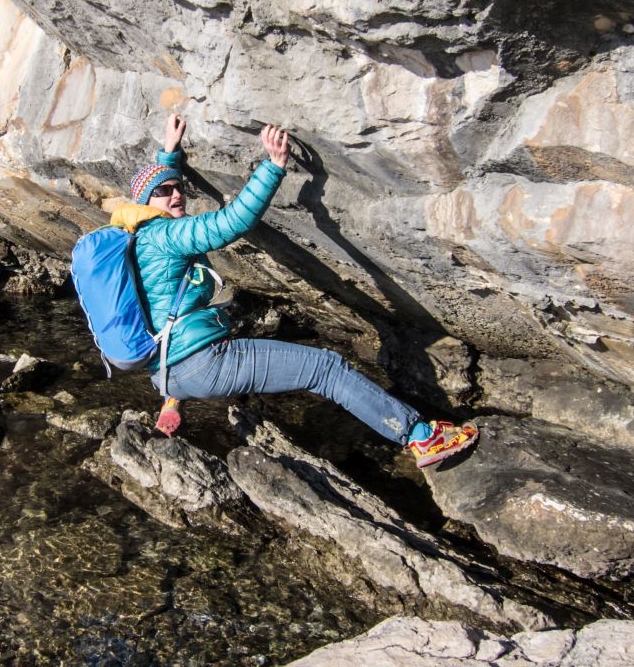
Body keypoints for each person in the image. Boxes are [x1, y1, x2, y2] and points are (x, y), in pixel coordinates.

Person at [109, 112, 478, 468]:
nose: (177, 194)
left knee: (211, 325)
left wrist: (169, 154)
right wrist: (273, 166)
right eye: (165, 191)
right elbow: (232, 221)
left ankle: (173, 401)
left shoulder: (137, 236)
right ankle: (421, 437)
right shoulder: (168, 234)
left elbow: (156, 188)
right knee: (325, 368)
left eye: (178, 187)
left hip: (165, 373)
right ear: (147, 202)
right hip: (202, 365)